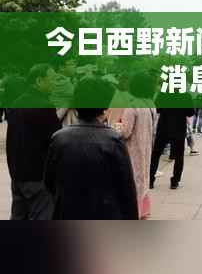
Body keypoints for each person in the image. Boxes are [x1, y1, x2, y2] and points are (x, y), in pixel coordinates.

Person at [44, 78, 138, 220]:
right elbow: (126, 188)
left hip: (67, 211)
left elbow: (49, 181)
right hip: (104, 213)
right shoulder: (113, 140)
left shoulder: (59, 138)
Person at [6, 64, 61, 220]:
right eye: (52, 79)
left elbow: (12, 141)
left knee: (18, 217)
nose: (55, 83)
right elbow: (54, 140)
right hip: (38, 177)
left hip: (17, 174)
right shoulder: (44, 106)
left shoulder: (16, 103)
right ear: (39, 81)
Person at [117, 72, 157, 219]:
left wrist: (114, 127)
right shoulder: (150, 105)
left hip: (132, 151)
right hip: (146, 149)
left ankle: (134, 212)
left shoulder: (132, 106)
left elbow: (125, 132)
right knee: (143, 180)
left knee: (133, 182)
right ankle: (143, 210)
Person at [151, 92, 194, 190]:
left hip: (164, 127)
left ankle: (150, 180)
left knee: (156, 153)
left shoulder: (163, 93)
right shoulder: (185, 95)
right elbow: (190, 112)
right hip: (179, 128)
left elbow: (157, 108)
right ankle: (175, 181)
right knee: (179, 156)